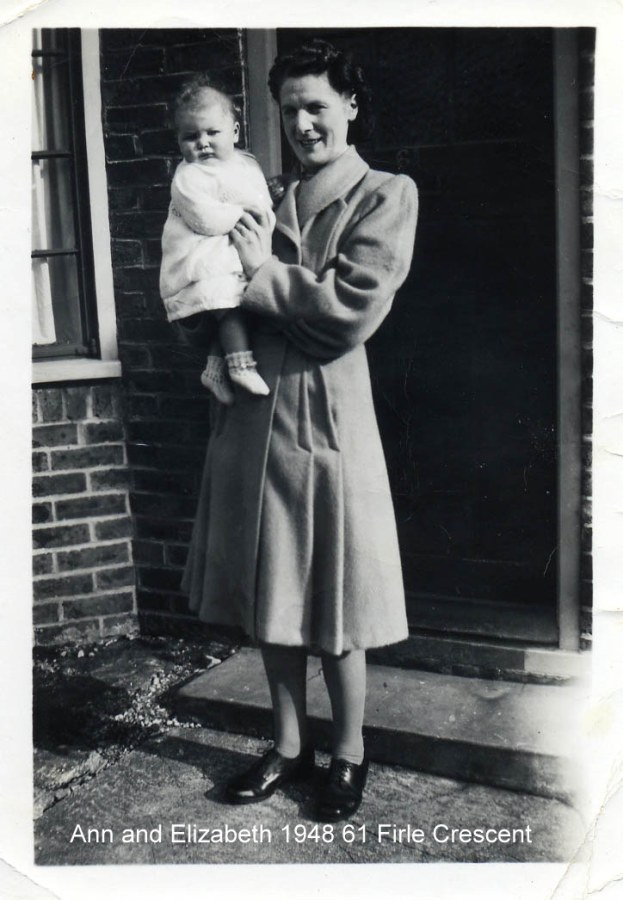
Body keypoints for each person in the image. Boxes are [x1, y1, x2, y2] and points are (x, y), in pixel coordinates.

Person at [179, 39, 418, 822]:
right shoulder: (254, 188)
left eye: (317, 106)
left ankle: (347, 752)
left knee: (334, 602)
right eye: (289, 111)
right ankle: (287, 747)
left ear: (350, 105)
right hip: (253, 416)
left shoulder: (383, 194)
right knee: (269, 597)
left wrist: (263, 276)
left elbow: (351, 310)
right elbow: (204, 285)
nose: (304, 123)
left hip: (325, 422)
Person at [160, 75, 274, 404]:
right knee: (226, 305)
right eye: (191, 137)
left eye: (213, 132)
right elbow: (205, 219)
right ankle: (240, 365)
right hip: (199, 256)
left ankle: (213, 368)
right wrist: (244, 215)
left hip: (231, 251)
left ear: (235, 132)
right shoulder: (189, 177)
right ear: (179, 142)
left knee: (236, 304)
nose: (203, 143)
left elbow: (259, 196)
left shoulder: (246, 163)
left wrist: (266, 210)